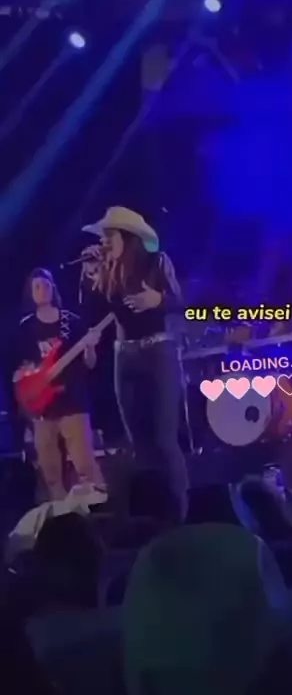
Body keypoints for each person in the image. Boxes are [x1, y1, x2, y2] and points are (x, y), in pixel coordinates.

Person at [79, 206, 189, 523]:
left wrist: (159, 300)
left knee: (164, 441)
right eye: (103, 236)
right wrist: (89, 274)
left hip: (158, 352)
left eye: (109, 235)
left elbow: (181, 303)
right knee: (139, 444)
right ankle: (153, 516)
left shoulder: (156, 261)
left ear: (127, 237)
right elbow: (92, 309)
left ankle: (179, 512)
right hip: (125, 356)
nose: (104, 241)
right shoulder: (107, 268)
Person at [14, 269, 106, 502]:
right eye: (37, 286)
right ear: (30, 292)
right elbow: (19, 369)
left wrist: (90, 347)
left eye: (46, 285)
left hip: (72, 403)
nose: (42, 290)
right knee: (51, 476)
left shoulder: (71, 322)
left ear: (53, 288)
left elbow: (90, 364)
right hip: (42, 409)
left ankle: (99, 509)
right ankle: (62, 515)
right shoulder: (25, 327)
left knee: (85, 467)